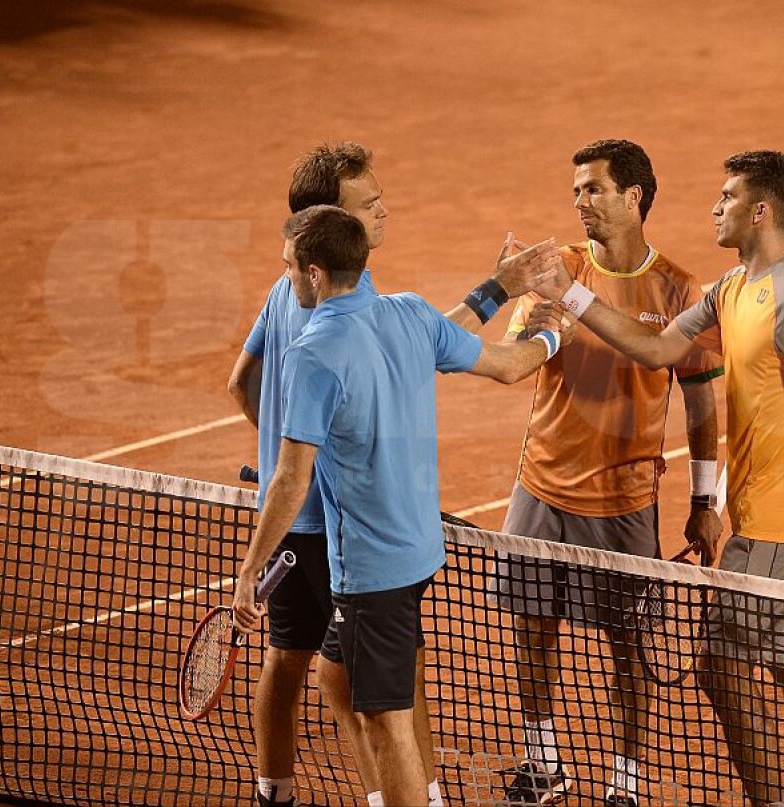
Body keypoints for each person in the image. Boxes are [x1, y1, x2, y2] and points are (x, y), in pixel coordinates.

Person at [531, 150, 784, 807]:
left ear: (760, 211)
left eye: (725, 198)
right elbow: (656, 347)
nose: (712, 208)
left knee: (720, 662)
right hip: (765, 509)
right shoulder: (730, 290)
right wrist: (571, 294)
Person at [227, 142, 561, 807]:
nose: (383, 211)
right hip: (351, 532)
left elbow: (250, 387)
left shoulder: (310, 300)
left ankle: (319, 793)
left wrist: (302, 455)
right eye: (368, 204)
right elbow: (429, 344)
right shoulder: (360, 310)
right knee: (368, 683)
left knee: (339, 678)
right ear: (329, 227)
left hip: (339, 532)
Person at [494, 139, 724, 807]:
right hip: (540, 485)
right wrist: (516, 299)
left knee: (630, 649)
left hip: (624, 500)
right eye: (575, 191)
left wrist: (704, 499)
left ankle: (624, 783)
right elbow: (514, 357)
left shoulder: (680, 289)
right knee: (529, 629)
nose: (579, 201)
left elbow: (704, 404)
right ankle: (543, 765)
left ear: (634, 197)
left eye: (593, 189)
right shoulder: (559, 268)